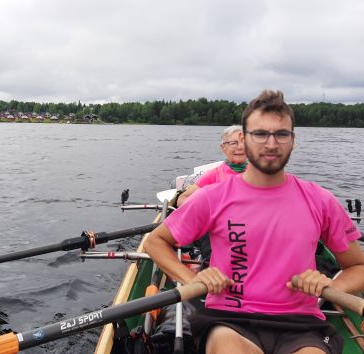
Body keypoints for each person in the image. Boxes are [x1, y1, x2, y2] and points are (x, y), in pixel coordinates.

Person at [145, 90, 364, 354]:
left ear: (293, 141)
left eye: (281, 134)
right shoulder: (212, 197)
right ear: (245, 141)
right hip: (230, 319)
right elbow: (155, 242)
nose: (271, 144)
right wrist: (191, 278)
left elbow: (358, 266)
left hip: (302, 324)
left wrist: (330, 286)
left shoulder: (321, 200)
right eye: (260, 134)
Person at [177, 125, 248, 206]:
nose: (240, 147)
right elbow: (182, 199)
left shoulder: (260, 174)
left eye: (244, 142)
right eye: (233, 143)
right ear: (223, 148)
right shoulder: (214, 175)